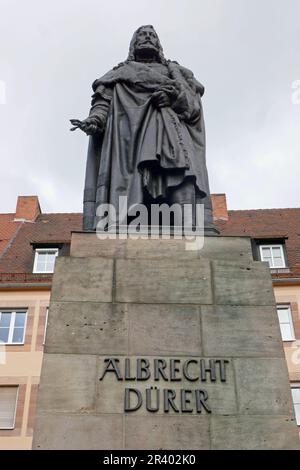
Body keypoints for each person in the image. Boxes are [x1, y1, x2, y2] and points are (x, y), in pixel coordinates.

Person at [71, 25, 215, 232]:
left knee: (182, 179)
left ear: (158, 43)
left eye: (152, 36)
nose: (147, 38)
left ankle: (191, 232)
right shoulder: (119, 74)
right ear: (133, 44)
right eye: (142, 35)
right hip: (129, 144)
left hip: (172, 137)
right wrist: (94, 121)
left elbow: (192, 107)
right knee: (132, 189)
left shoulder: (177, 73)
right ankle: (126, 232)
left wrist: (173, 98)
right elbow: (103, 104)